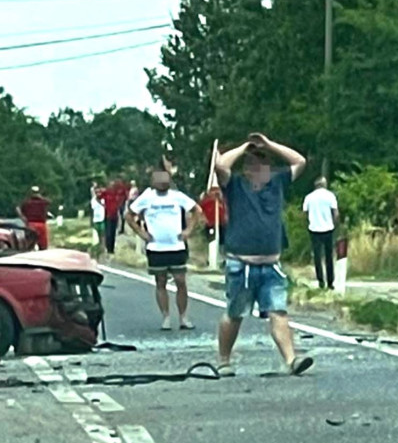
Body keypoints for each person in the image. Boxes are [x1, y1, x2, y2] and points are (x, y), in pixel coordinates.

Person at [213, 132, 314, 377]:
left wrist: (269, 144)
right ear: (247, 169)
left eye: (264, 164)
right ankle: (224, 360)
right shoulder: (235, 185)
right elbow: (221, 165)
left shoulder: (278, 181)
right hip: (241, 264)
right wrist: (244, 147)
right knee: (235, 314)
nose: (261, 169)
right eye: (255, 165)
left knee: (278, 312)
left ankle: (291, 360)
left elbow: (299, 161)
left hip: (271, 264)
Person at [128, 169, 202, 330]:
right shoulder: (147, 198)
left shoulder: (177, 196)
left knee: (180, 281)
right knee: (160, 282)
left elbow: (197, 210)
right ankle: (166, 317)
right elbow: (129, 215)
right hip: (156, 247)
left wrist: (189, 230)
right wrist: (141, 233)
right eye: (159, 180)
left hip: (176, 246)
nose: (162, 183)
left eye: (165, 180)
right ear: (153, 182)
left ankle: (183, 317)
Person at [303, 176, 339, 290]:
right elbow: (336, 213)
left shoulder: (309, 197)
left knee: (317, 257)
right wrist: (334, 224)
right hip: (328, 228)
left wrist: (308, 223)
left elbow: (304, 213)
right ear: (324, 184)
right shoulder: (330, 196)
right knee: (329, 256)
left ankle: (320, 281)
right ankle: (330, 282)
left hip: (314, 229)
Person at [101, 180, 123, 255]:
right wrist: (102, 205)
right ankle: (108, 247)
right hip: (108, 214)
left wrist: (119, 205)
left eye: (113, 186)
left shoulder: (116, 193)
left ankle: (112, 248)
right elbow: (98, 197)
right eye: (111, 185)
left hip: (115, 215)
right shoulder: (106, 193)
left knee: (113, 232)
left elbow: (122, 197)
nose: (112, 187)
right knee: (108, 232)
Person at [91, 190, 106, 256]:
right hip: (96, 219)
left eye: (99, 192)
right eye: (97, 193)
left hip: (102, 219)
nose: (98, 194)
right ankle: (99, 247)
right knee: (98, 234)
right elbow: (93, 208)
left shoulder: (103, 199)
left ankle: (103, 247)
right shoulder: (93, 200)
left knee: (103, 234)